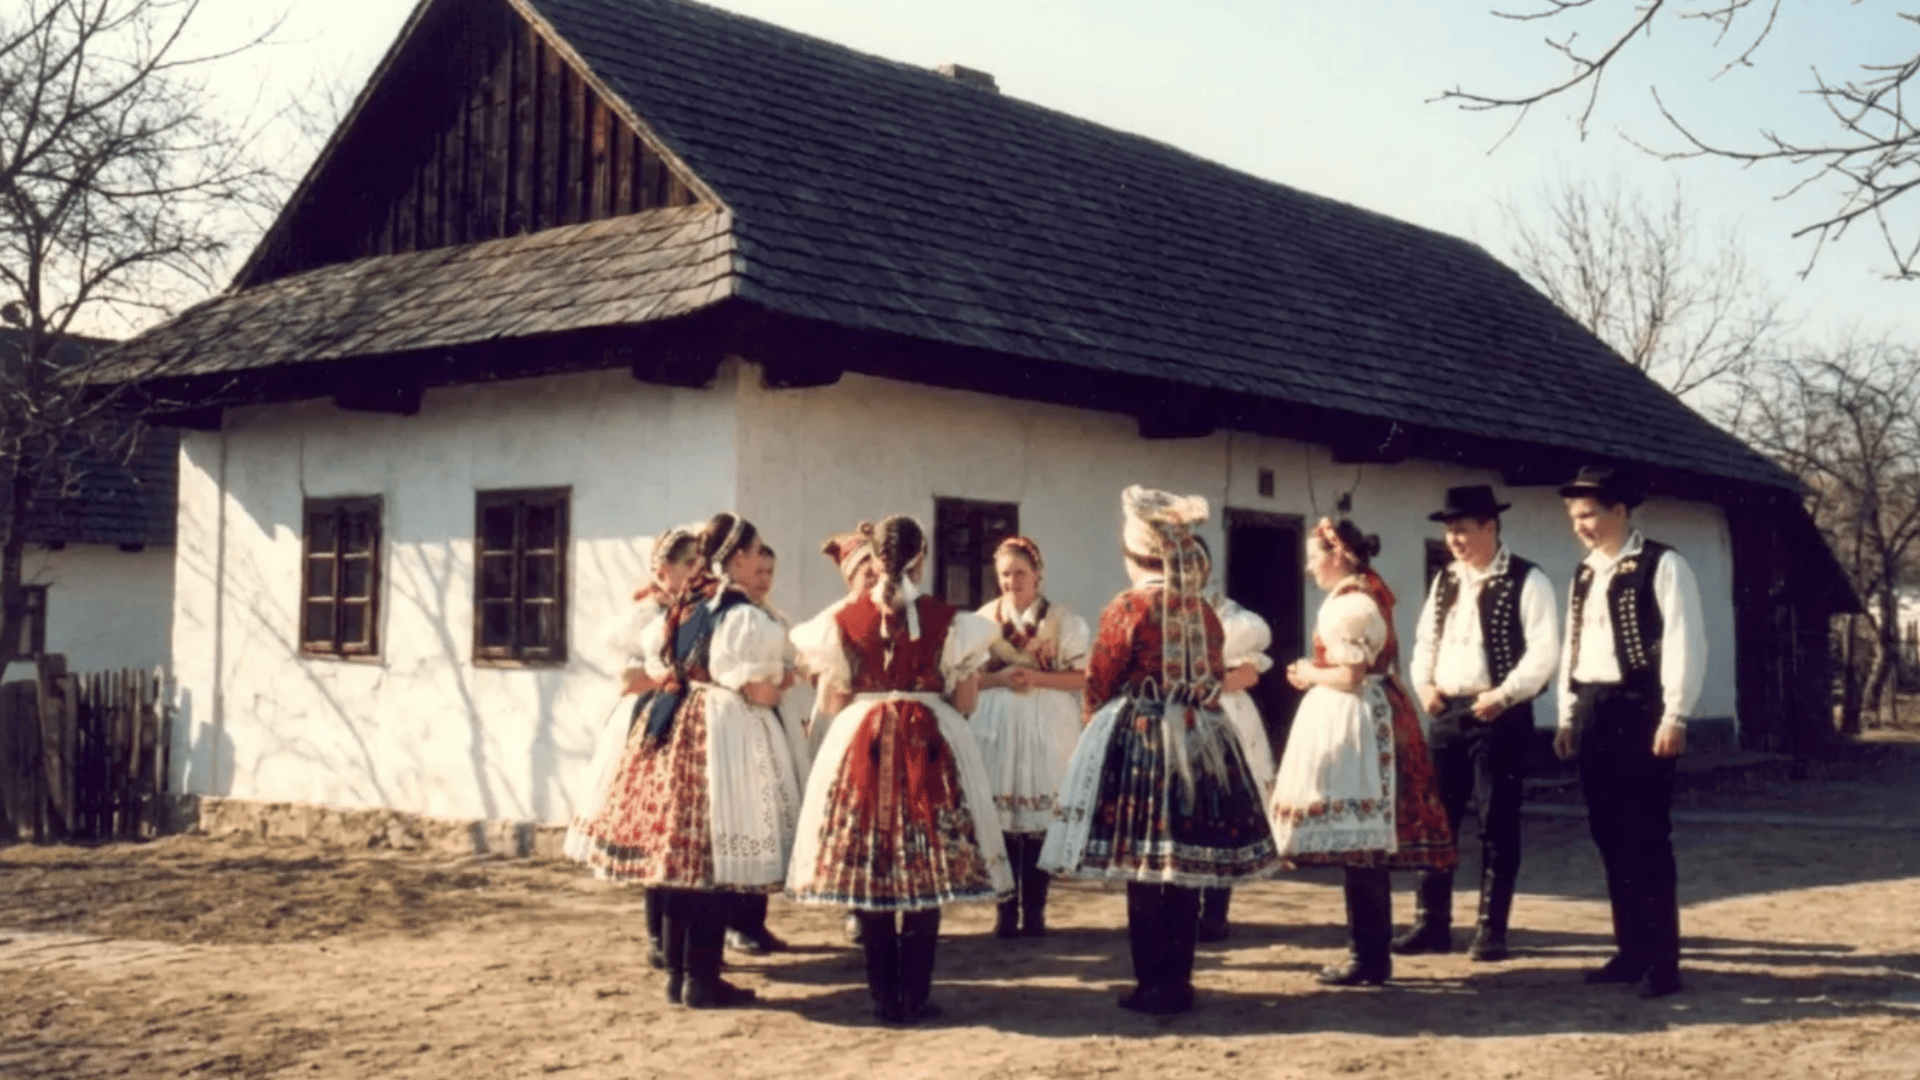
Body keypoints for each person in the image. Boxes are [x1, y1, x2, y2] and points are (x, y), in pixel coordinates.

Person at [1041, 486, 1280, 1016]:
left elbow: (1101, 679)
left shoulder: (1128, 607)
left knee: (1146, 866)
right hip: (1201, 737)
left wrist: (1094, 735)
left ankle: (1153, 983)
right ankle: (1181, 981)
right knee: (1185, 866)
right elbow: (1215, 674)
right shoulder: (1205, 612)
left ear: (1134, 557)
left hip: (1144, 741)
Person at [787, 515, 1012, 1024]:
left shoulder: (841, 620)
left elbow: (837, 693)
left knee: (873, 869)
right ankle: (916, 993)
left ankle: (883, 996)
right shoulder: (949, 620)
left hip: (860, 740)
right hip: (927, 741)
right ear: (921, 560)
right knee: (925, 867)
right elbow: (964, 700)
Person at [578, 512, 803, 1009]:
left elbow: (661, 664)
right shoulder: (741, 616)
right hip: (720, 732)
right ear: (738, 558)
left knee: (679, 860)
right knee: (710, 859)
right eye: (755, 551)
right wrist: (781, 683)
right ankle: (701, 980)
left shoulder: (680, 608)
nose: (758, 560)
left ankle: (678, 974)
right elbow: (756, 689)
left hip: (673, 724)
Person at [1268, 516, 1454, 987]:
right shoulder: (1368, 591)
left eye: (1315, 559)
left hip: (1359, 719)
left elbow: (1350, 675)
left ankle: (1367, 958)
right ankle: (1368, 955)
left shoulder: (1350, 605)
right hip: (1370, 712)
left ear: (1339, 556)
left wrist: (1310, 673)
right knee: (1363, 842)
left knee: (1363, 842)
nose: (1311, 570)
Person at [1555, 465, 1705, 999]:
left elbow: (1686, 640)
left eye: (1590, 514)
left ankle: (1663, 961)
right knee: (1608, 835)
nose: (1581, 525)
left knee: (1646, 836)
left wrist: (1675, 714)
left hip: (1641, 710)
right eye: (1575, 516)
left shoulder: (1663, 565)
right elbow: (1573, 648)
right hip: (1595, 708)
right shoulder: (1584, 574)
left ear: (1620, 510)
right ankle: (1630, 950)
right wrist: (1569, 712)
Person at [1397, 486, 1559, 962]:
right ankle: (1431, 922)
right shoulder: (1446, 580)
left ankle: (1491, 928)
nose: (1455, 540)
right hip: (1447, 713)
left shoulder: (1527, 579)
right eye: (1449, 531)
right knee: (1436, 819)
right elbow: (1424, 641)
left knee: (1497, 822)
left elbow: (1543, 652)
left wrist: (1504, 695)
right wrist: (1424, 686)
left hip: (1500, 716)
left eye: (1463, 529)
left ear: (1490, 526)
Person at [563, 522, 703, 970]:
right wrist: (671, 679)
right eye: (688, 563)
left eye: (701, 562)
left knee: (676, 830)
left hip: (687, 721)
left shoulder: (699, 610)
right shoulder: (645, 616)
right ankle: (656, 935)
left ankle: (687, 936)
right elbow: (630, 679)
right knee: (650, 828)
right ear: (663, 569)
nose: (696, 570)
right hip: (647, 721)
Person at [970, 535, 1090, 939]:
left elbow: (1080, 676)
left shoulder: (1062, 620)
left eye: (1020, 572)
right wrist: (1000, 678)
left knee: (1037, 819)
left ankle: (1035, 911)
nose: (1012, 581)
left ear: (1038, 574)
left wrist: (1038, 677)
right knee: (1003, 821)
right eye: (1005, 574)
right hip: (997, 721)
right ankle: (1004, 910)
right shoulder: (984, 621)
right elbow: (965, 679)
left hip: (1046, 720)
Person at [725, 543, 806, 956]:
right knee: (743, 818)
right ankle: (734, 922)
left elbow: (786, 666)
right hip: (740, 725)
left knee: (769, 817)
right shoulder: (734, 619)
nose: (765, 579)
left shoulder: (774, 619)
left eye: (770, 571)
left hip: (773, 721)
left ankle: (755, 920)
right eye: (758, 570)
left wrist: (789, 676)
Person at [1196, 534, 1274, 943]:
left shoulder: (1231, 618)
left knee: (1220, 811)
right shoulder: (1164, 610)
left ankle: (1216, 911)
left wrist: (1207, 685)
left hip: (1222, 711)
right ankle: (1183, 908)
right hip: (1178, 713)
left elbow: (1249, 673)